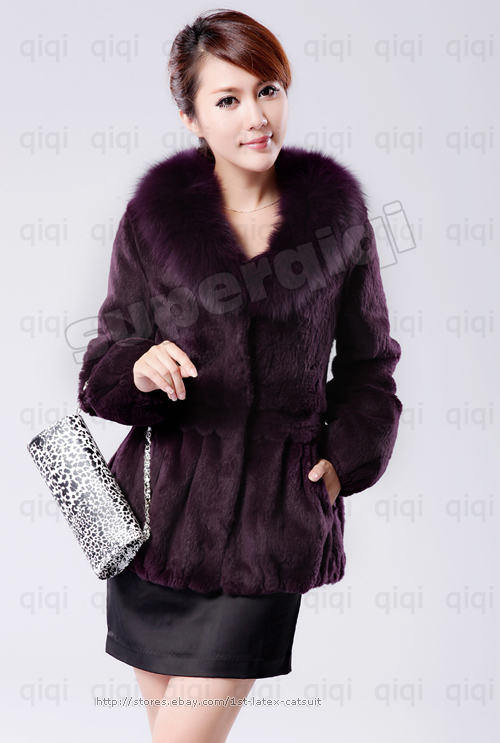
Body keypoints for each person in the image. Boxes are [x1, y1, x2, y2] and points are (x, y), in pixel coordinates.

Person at [77, 8, 403, 742]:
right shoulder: (151, 219)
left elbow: (370, 365)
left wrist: (341, 463)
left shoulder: (339, 221)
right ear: (192, 117)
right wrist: (139, 366)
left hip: (270, 525)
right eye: (227, 99)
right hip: (153, 521)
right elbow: (103, 363)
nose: (255, 116)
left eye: (268, 90)